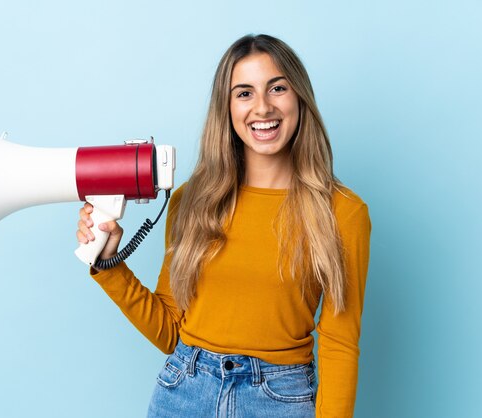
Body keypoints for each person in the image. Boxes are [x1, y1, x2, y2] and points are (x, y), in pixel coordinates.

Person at [77, 34, 371, 418]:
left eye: (277, 88)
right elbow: (170, 332)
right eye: (244, 93)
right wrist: (110, 263)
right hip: (183, 392)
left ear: (299, 97)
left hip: (279, 400)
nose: (263, 108)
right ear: (227, 108)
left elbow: (339, 343)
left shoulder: (342, 213)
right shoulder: (192, 201)